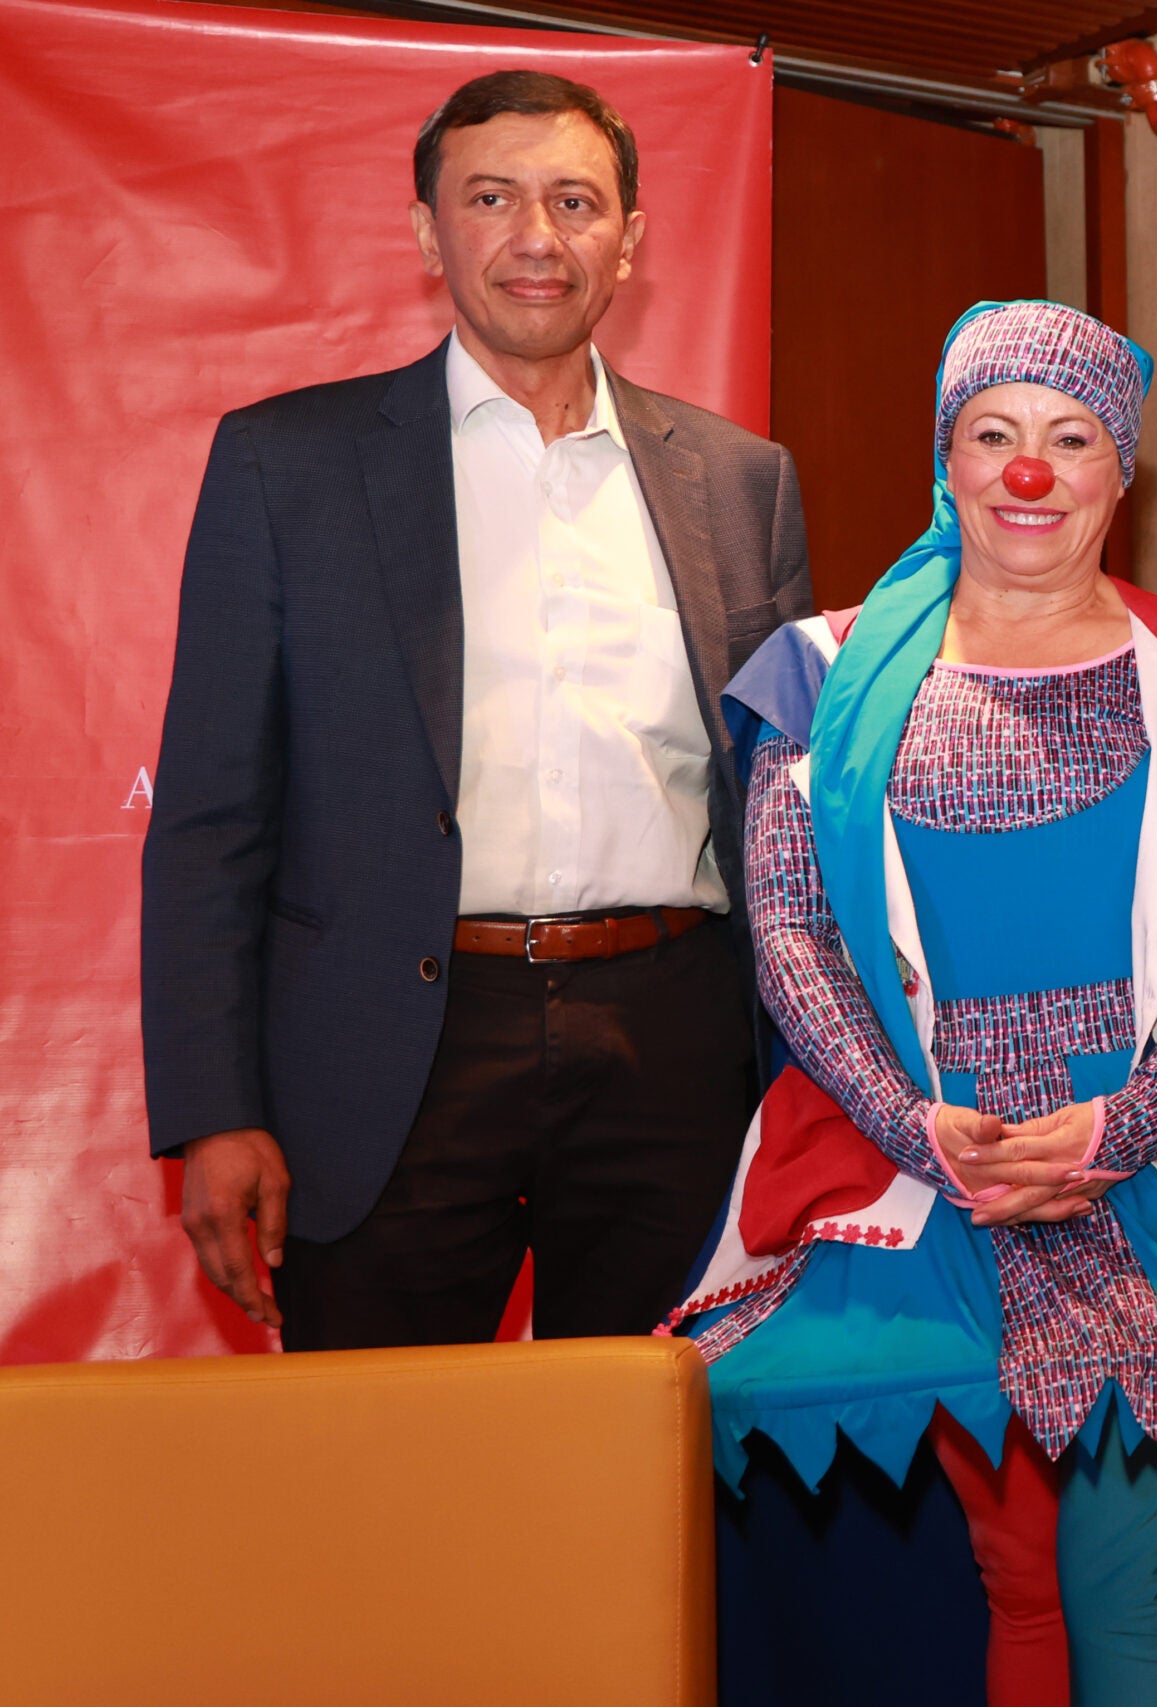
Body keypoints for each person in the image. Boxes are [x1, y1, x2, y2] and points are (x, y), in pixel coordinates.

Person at [668, 299, 1157, 1707]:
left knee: (1134, 1590)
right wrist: (924, 1130)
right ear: (947, 458)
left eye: (1070, 436)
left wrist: (1119, 1126)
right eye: (993, 434)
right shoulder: (822, 674)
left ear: (1121, 471)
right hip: (927, 1178)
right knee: (1020, 1584)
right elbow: (790, 934)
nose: (1027, 470)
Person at [141, 70, 810, 1347]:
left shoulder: (742, 483)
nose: (537, 237)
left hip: (673, 1050)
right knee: (389, 1450)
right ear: (426, 231)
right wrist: (215, 1109)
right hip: (389, 1049)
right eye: (492, 199)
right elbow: (211, 820)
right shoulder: (288, 464)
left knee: (647, 1446)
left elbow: (783, 814)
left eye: (576, 202)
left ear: (630, 240)